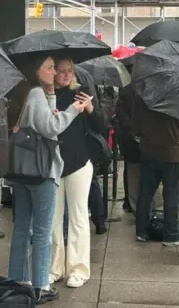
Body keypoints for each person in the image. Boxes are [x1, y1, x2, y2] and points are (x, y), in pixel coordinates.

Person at [7, 56, 87, 305]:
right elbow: (51, 127)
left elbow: (38, 121)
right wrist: (75, 110)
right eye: (50, 68)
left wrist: (51, 94)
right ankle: (41, 285)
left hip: (22, 171)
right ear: (36, 70)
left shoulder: (23, 93)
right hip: (42, 172)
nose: (55, 73)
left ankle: (17, 281)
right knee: (42, 231)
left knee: (21, 228)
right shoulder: (35, 95)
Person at [49, 58, 105, 288]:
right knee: (52, 219)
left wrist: (91, 109)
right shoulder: (45, 95)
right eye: (61, 71)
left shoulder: (81, 93)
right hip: (52, 163)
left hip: (79, 163)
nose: (65, 75)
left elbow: (101, 126)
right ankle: (54, 268)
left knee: (78, 217)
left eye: (69, 71)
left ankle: (78, 269)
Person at [132, 92, 179, 246]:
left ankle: (142, 232)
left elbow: (136, 124)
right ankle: (171, 234)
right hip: (172, 152)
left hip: (148, 150)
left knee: (145, 193)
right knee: (172, 194)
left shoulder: (143, 94)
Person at [116, 83, 140, 212]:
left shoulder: (126, 89)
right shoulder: (155, 87)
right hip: (144, 139)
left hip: (131, 137)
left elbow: (120, 113)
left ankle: (131, 202)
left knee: (132, 172)